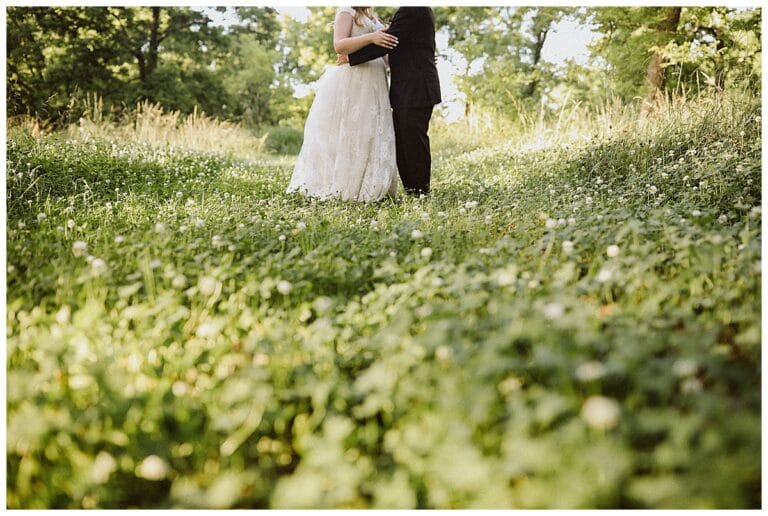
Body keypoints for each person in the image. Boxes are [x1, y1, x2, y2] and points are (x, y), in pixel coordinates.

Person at [287, 7, 400, 202]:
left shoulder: (374, 19)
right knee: (350, 130)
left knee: (369, 132)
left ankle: (370, 185)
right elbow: (339, 46)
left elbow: (387, 59)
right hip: (353, 80)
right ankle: (340, 185)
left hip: (375, 82)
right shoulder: (346, 12)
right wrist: (371, 38)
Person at [347, 7, 441, 196]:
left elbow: (388, 41)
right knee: (405, 141)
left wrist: (350, 56)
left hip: (416, 87)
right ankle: (413, 190)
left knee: (413, 141)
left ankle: (420, 192)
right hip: (408, 87)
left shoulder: (414, 9)